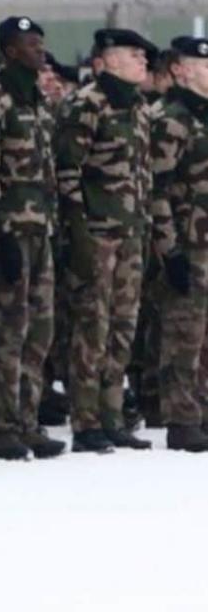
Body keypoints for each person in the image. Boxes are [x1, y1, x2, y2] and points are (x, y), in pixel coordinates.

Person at [54, 28, 156, 453]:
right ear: (110, 60)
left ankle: (113, 414)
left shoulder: (138, 107)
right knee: (91, 327)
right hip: (96, 235)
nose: (143, 63)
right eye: (135, 56)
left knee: (122, 326)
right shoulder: (85, 104)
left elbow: (142, 173)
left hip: (131, 231)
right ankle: (87, 419)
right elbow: (67, 171)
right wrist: (77, 232)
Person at [0, 17, 66, 461]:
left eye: (40, 43)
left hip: (40, 231)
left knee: (39, 330)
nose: (39, 51)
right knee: (6, 332)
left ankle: (27, 419)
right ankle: (0, 424)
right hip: (7, 235)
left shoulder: (39, 102)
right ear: (8, 51)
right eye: (29, 44)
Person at [148, 35, 208, 452]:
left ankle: (200, 409)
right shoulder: (173, 119)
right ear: (181, 70)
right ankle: (181, 418)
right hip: (188, 243)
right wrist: (169, 249)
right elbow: (157, 188)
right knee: (183, 333)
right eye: (203, 65)